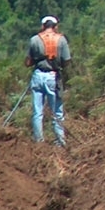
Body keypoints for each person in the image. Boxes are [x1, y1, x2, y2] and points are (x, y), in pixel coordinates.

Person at [24, 15, 71, 147]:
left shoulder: (34, 39)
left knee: (37, 111)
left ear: (43, 26)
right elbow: (67, 61)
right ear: (55, 26)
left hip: (38, 75)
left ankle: (39, 141)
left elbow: (28, 62)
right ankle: (60, 142)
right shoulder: (61, 40)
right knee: (57, 111)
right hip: (53, 76)